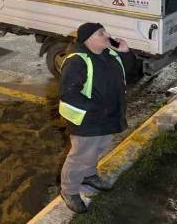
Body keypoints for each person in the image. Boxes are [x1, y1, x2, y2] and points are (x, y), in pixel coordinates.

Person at [57, 22, 134, 213]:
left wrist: (125, 52)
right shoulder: (77, 61)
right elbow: (69, 94)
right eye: (101, 33)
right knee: (80, 156)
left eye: (105, 31)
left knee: (97, 149)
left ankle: (89, 175)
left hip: (108, 117)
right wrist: (97, 109)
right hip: (88, 120)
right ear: (89, 39)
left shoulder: (111, 54)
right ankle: (69, 190)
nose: (107, 35)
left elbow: (129, 71)